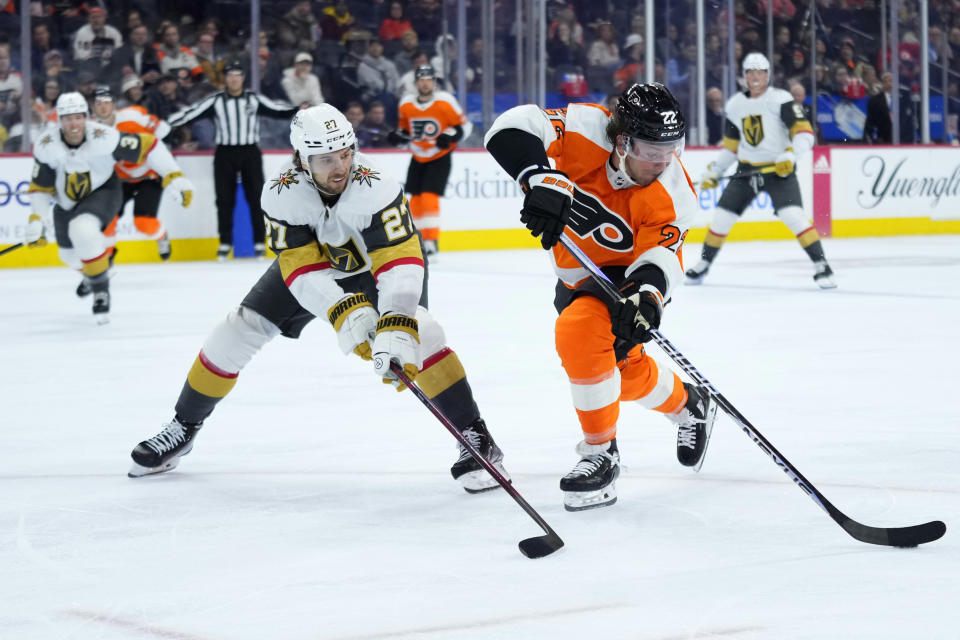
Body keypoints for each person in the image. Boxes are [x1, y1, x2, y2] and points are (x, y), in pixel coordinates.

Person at [127, 104, 510, 496]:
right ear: (301, 159)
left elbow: (400, 261)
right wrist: (349, 315)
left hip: (380, 269)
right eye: (326, 159)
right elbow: (301, 267)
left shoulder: (377, 184)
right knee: (235, 330)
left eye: (345, 153)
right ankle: (184, 425)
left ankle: (476, 437)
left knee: (421, 333)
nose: (340, 166)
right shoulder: (280, 193)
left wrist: (394, 322)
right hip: (313, 269)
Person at [484, 83, 717, 511]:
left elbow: (659, 256)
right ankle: (689, 402)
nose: (662, 160)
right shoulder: (585, 127)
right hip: (574, 276)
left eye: (671, 148)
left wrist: (647, 299)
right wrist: (539, 176)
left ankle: (600, 454)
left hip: (625, 280)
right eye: (651, 149)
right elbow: (509, 127)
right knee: (621, 375)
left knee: (578, 333)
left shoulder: (674, 190)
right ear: (622, 139)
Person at [25, 92, 192, 323]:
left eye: (77, 117)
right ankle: (94, 274)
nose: (73, 124)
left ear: (86, 117)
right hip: (66, 203)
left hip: (103, 191)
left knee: (83, 229)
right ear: (59, 120)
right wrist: (37, 219)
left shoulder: (104, 137)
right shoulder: (46, 145)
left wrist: (175, 176)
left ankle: (100, 291)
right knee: (69, 256)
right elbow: (40, 188)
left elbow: (150, 145)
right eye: (67, 118)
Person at [688, 53, 836, 289]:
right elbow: (731, 147)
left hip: (778, 170)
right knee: (721, 219)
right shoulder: (735, 105)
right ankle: (704, 264)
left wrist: (790, 154)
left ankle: (822, 265)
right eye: (750, 72)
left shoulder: (781, 99)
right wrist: (716, 170)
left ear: (767, 75)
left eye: (760, 72)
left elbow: (805, 133)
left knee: (793, 217)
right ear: (744, 76)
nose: (755, 77)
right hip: (746, 172)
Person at [166, 61, 299, 259]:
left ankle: (259, 243)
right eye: (230, 75)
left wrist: (299, 109)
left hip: (250, 152)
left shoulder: (253, 99)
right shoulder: (216, 100)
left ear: (242, 78)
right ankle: (225, 243)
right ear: (225, 79)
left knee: (256, 198)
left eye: (238, 75)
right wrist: (166, 124)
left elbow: (277, 110)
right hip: (225, 153)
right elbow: (191, 113)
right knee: (224, 199)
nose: (234, 79)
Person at [91, 85, 187, 268]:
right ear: (93, 106)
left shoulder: (132, 117)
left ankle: (162, 236)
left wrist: (167, 156)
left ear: (113, 104)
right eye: (98, 103)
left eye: (107, 102)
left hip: (148, 175)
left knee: (144, 223)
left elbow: (164, 131)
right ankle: (106, 258)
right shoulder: (92, 131)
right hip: (119, 181)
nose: (103, 107)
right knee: (108, 220)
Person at [388, 65, 471, 256]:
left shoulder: (445, 101)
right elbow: (405, 131)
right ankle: (418, 237)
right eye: (421, 80)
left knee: (428, 196)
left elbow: (463, 126)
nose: (425, 83)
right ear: (416, 82)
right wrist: (398, 137)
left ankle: (432, 241)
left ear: (434, 82)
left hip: (440, 156)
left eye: (429, 79)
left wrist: (448, 136)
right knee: (415, 199)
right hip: (418, 155)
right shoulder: (406, 103)